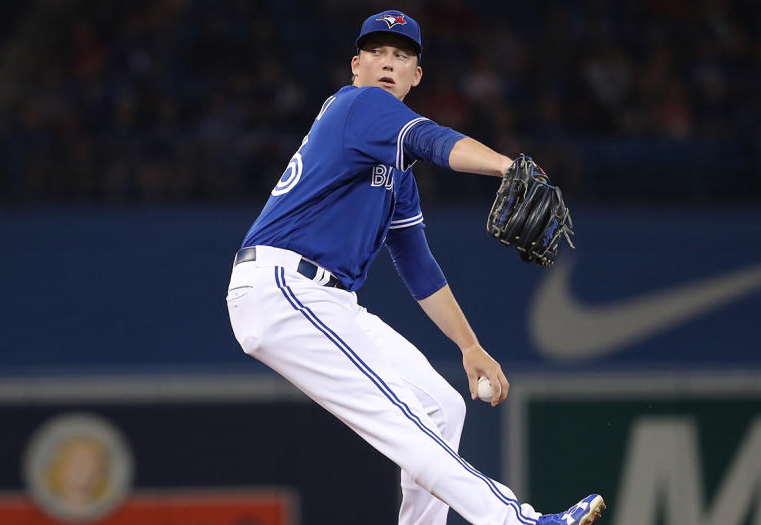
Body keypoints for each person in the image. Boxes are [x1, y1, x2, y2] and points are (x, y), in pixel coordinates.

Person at [226, 10, 604, 525]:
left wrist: (468, 346)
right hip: (283, 287)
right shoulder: (357, 106)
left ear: (416, 75)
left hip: (325, 299)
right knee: (406, 424)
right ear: (355, 66)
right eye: (377, 53)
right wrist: (506, 165)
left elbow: (416, 263)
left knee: (442, 409)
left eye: (401, 56)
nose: (388, 63)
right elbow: (433, 140)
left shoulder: (395, 172)